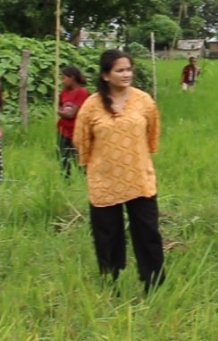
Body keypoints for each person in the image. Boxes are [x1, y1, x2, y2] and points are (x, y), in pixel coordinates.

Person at [73, 49, 165, 295]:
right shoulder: (91, 106)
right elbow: (82, 142)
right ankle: (110, 283)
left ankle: (154, 284)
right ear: (105, 75)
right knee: (107, 236)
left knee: (148, 233)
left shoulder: (144, 101)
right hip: (104, 180)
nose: (126, 74)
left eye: (129, 69)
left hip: (139, 178)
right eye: (120, 70)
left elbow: (152, 136)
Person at [57, 65, 89, 179]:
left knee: (79, 158)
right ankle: (66, 181)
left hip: (76, 131)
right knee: (63, 158)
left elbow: (71, 114)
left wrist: (60, 113)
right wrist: (61, 112)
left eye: (65, 78)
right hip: (63, 130)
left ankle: (86, 180)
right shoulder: (63, 92)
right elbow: (60, 106)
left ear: (73, 78)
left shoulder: (82, 92)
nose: (63, 81)